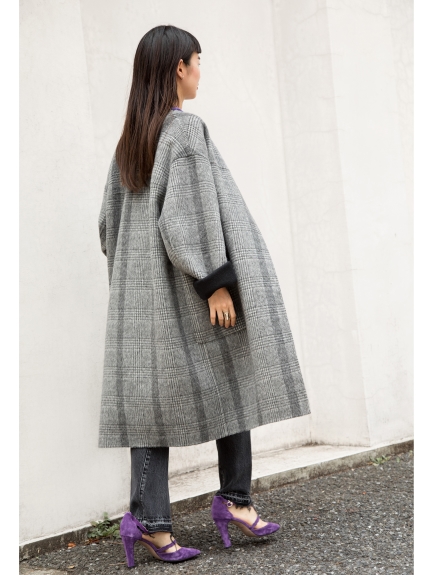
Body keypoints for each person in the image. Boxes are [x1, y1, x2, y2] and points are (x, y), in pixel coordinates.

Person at [97, 25, 311, 568]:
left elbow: (106, 226)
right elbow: (187, 217)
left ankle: (149, 522)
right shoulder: (185, 130)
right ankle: (235, 500)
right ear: (179, 68)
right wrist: (215, 282)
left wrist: (133, 279)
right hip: (189, 289)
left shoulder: (130, 142)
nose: (200, 71)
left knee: (147, 406)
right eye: (198, 61)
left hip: (139, 301)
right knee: (233, 375)